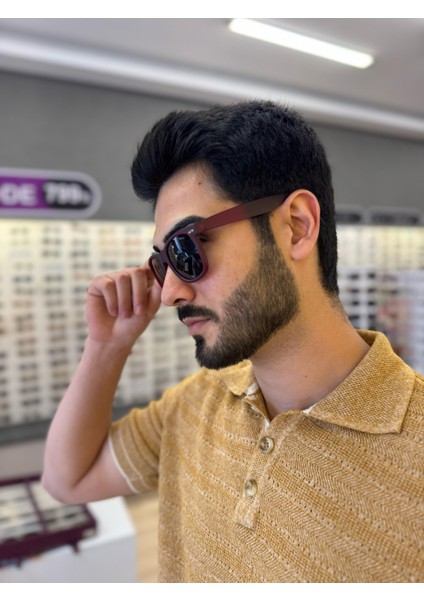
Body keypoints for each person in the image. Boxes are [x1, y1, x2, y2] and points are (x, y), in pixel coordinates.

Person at [42, 100, 424, 583]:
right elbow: (67, 479)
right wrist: (106, 346)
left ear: (296, 226)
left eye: (186, 248)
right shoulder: (196, 404)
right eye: (162, 264)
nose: (171, 293)